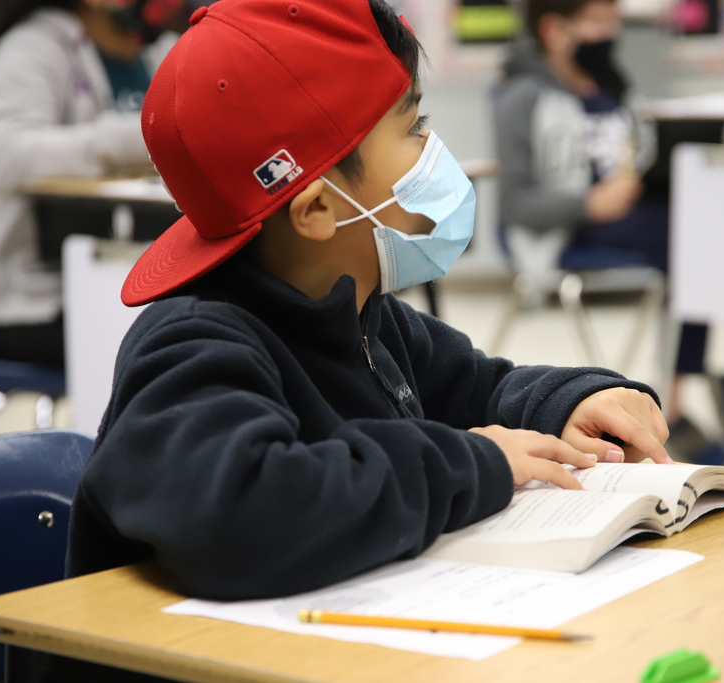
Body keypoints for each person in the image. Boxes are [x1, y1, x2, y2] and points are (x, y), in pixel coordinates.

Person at [65, 0, 673, 602]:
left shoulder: (361, 314)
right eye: (413, 128)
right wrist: (475, 462)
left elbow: (477, 389)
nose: (435, 147)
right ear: (318, 209)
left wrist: (566, 403)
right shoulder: (188, 345)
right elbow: (240, 518)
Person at [495, 0, 724, 462]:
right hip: (572, 230)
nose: (612, 33)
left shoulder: (615, 88)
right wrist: (589, 202)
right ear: (554, 31)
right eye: (598, 23)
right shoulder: (522, 96)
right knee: (693, 238)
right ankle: (676, 407)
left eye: (614, 22)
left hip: (637, 213)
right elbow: (515, 203)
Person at [0, 0, 184, 368]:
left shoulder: (164, 51)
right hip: (42, 299)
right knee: (193, 342)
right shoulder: (33, 47)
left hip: (143, 275)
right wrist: (127, 138)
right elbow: (4, 158)